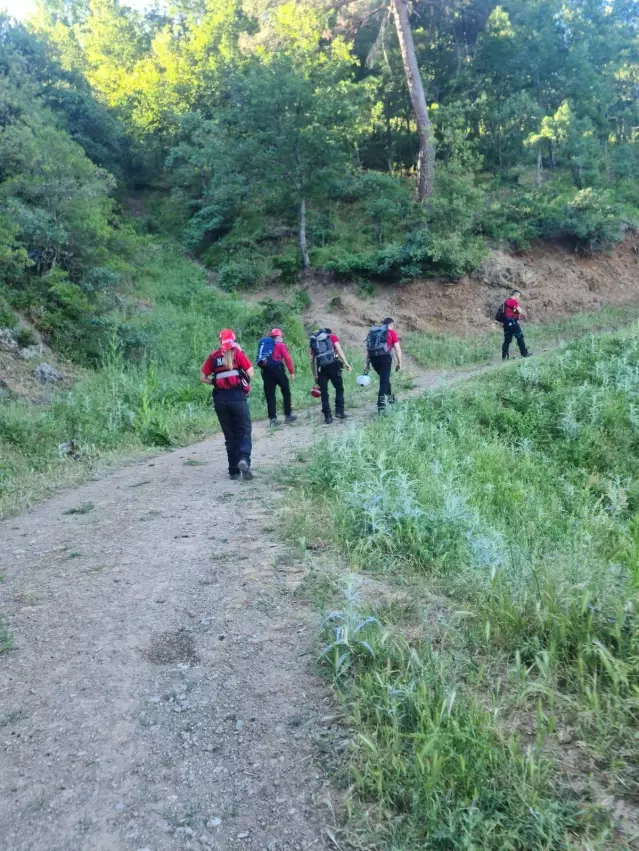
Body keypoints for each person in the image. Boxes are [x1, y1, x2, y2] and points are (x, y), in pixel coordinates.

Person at [200, 329, 255, 481]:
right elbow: (251, 373)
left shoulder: (213, 356)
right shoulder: (237, 354)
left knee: (230, 436)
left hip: (220, 400)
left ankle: (233, 471)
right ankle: (244, 459)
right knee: (244, 431)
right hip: (237, 398)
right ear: (234, 340)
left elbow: (203, 378)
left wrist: (215, 382)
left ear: (220, 341)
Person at [309, 328, 352, 424]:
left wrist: (315, 375)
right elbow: (339, 350)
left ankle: (327, 417)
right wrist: (346, 363)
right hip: (333, 366)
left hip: (321, 368)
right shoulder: (331, 337)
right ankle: (339, 412)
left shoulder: (314, 342)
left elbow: (312, 360)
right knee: (339, 388)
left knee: (324, 392)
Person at [256, 328, 297, 427]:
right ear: (278, 337)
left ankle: (273, 419)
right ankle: (288, 415)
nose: (282, 339)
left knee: (270, 395)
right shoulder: (280, 345)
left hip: (266, 372)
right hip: (278, 371)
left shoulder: (265, 345)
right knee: (286, 391)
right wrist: (291, 372)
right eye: (281, 337)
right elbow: (287, 358)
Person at [364, 317, 402, 411]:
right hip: (385, 359)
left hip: (373, 359)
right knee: (383, 382)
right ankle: (381, 407)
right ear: (391, 325)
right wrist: (399, 362)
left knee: (385, 379)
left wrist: (367, 364)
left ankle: (390, 399)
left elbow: (369, 350)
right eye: (393, 325)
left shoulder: (374, 333)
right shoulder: (391, 333)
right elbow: (397, 349)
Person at [502, 289, 531, 360]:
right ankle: (524, 354)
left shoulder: (506, 302)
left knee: (507, 340)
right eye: (519, 296)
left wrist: (516, 314)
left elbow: (512, 311)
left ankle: (504, 357)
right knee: (520, 337)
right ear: (516, 295)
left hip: (506, 324)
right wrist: (520, 312)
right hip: (512, 323)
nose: (518, 297)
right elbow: (519, 310)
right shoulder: (513, 301)